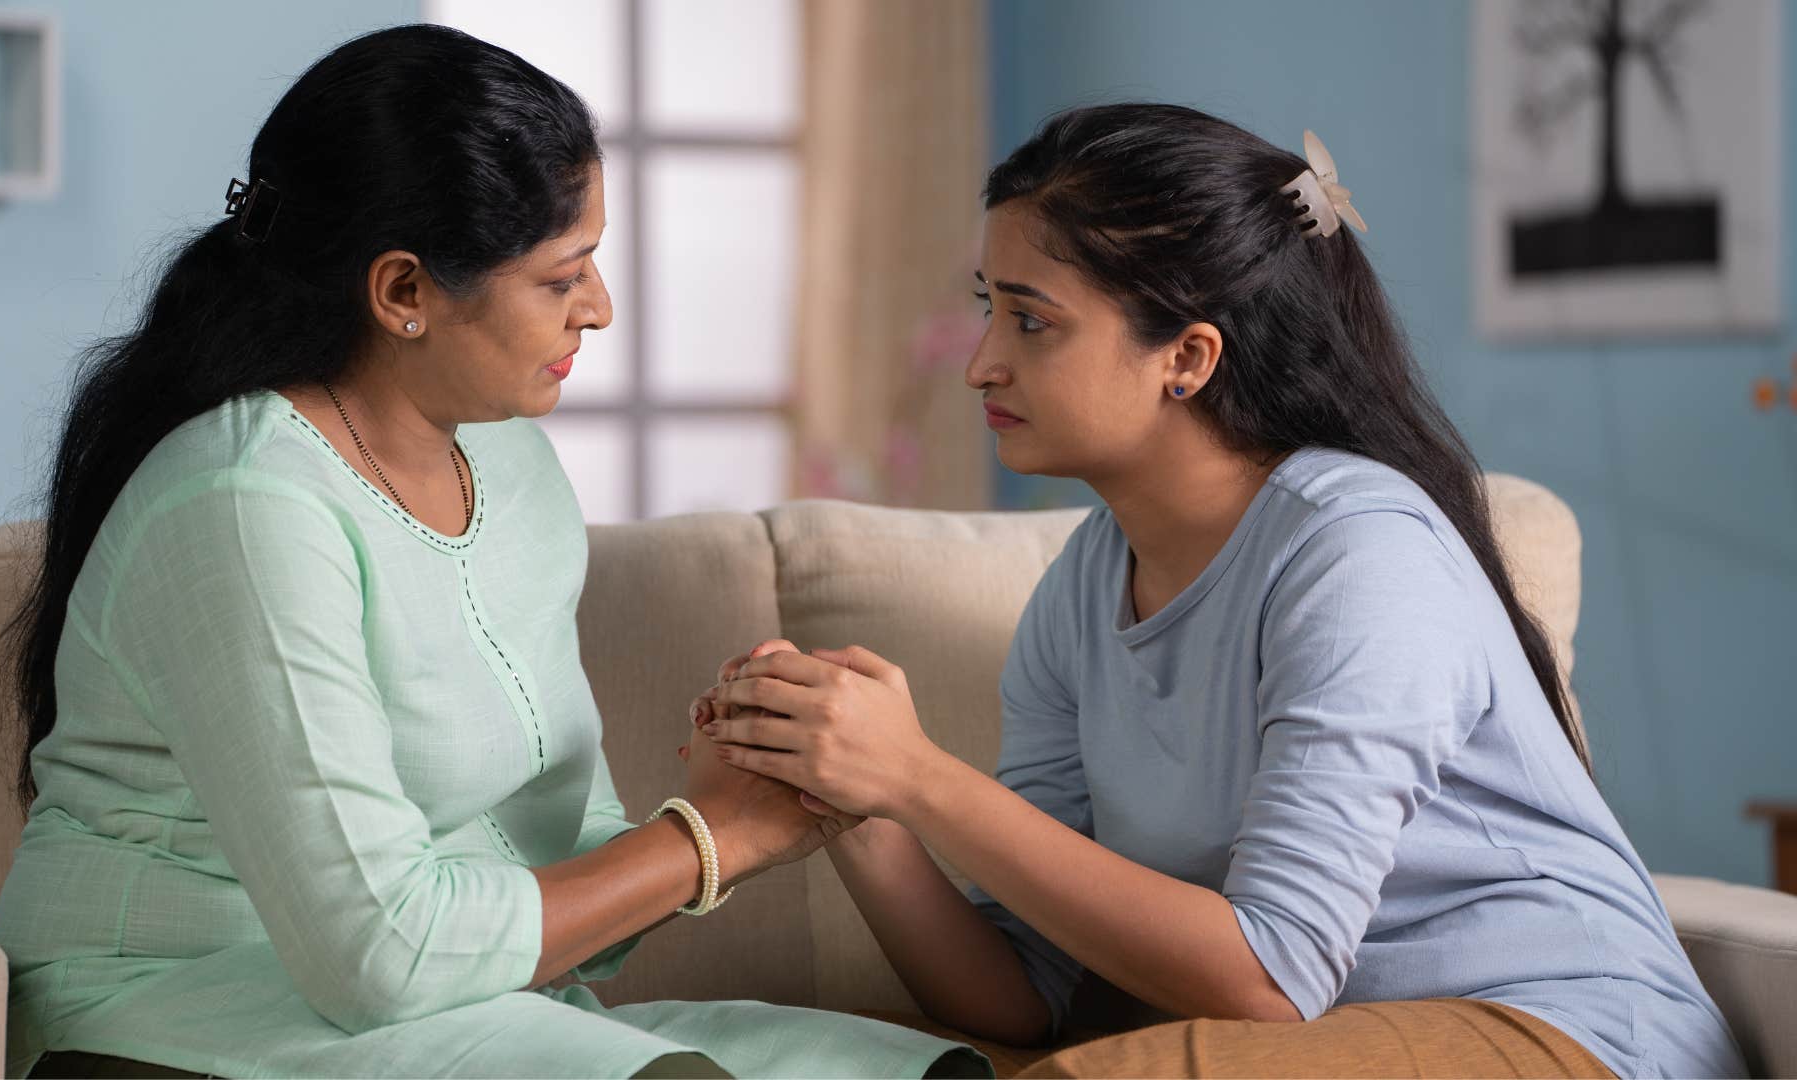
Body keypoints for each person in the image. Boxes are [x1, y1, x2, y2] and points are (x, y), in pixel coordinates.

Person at [0, 24, 986, 1080]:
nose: (599, 308)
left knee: (920, 1072)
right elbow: (381, 953)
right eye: (564, 275)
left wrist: (738, 787)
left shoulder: (514, 472)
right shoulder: (244, 506)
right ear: (404, 293)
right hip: (175, 1010)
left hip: (440, 1004)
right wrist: (711, 838)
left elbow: (555, 869)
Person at [698, 104, 1745, 1079]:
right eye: (988, 310)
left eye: (1030, 321)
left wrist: (924, 777)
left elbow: (1272, 980)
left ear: (1187, 358)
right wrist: (858, 803)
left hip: (1559, 1029)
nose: (979, 365)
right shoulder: (1082, 590)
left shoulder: (1357, 552)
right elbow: (1022, 998)